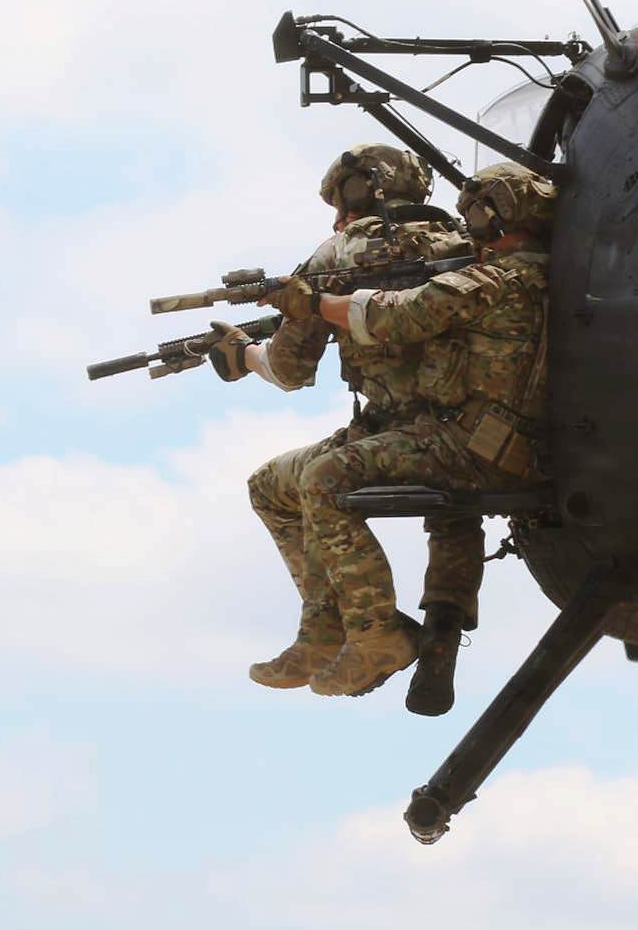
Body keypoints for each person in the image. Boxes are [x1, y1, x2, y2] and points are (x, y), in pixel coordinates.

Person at [207, 147, 552, 712]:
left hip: (448, 441)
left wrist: (249, 352)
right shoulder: (469, 253)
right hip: (457, 434)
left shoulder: (470, 273)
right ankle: (377, 633)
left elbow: (299, 365)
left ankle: (370, 633)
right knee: (442, 507)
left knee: (308, 482)